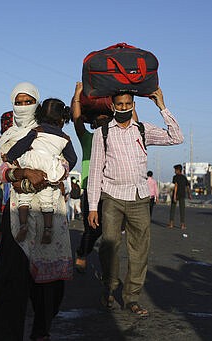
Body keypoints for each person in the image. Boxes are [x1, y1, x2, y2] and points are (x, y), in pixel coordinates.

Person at [87, 88, 183, 317]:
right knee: (109, 247)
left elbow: (176, 137)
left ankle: (132, 298)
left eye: (127, 103)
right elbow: (95, 171)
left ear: (133, 105)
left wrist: (162, 105)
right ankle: (109, 289)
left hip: (140, 198)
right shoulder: (103, 134)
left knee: (139, 251)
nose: (123, 107)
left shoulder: (142, 130)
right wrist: (92, 206)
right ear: (112, 106)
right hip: (112, 196)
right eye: (119, 104)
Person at [0, 82, 73, 341]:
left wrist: (45, 173)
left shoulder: (53, 136)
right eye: (19, 101)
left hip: (51, 212)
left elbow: (63, 168)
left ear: (38, 106)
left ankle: (42, 329)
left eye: (29, 102)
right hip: (19, 212)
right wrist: (23, 172)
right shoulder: (9, 136)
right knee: (12, 279)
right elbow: (1, 170)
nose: (23, 106)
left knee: (49, 284)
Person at [71, 81, 138, 273]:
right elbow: (76, 119)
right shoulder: (88, 139)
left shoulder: (116, 137)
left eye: (105, 118)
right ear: (93, 123)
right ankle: (82, 253)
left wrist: (130, 100)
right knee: (91, 228)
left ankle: (105, 265)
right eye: (98, 118)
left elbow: (135, 123)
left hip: (111, 190)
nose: (102, 120)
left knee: (108, 231)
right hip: (90, 189)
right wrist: (77, 94)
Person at [0, 97, 77, 245]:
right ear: (62, 119)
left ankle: (23, 226)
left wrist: (9, 156)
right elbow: (72, 159)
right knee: (47, 203)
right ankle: (48, 230)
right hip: (49, 173)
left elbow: (20, 147)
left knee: (24, 200)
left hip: (32, 164)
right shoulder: (65, 138)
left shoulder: (36, 131)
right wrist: (61, 171)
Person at [168, 164, 191, 229]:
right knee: (182, 210)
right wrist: (189, 194)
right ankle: (182, 225)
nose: (174, 171)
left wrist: (174, 196)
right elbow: (187, 186)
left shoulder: (175, 177)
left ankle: (171, 224)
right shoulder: (184, 177)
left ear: (178, 170)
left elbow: (175, 186)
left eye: (175, 170)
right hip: (182, 195)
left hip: (176, 194)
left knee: (172, 209)